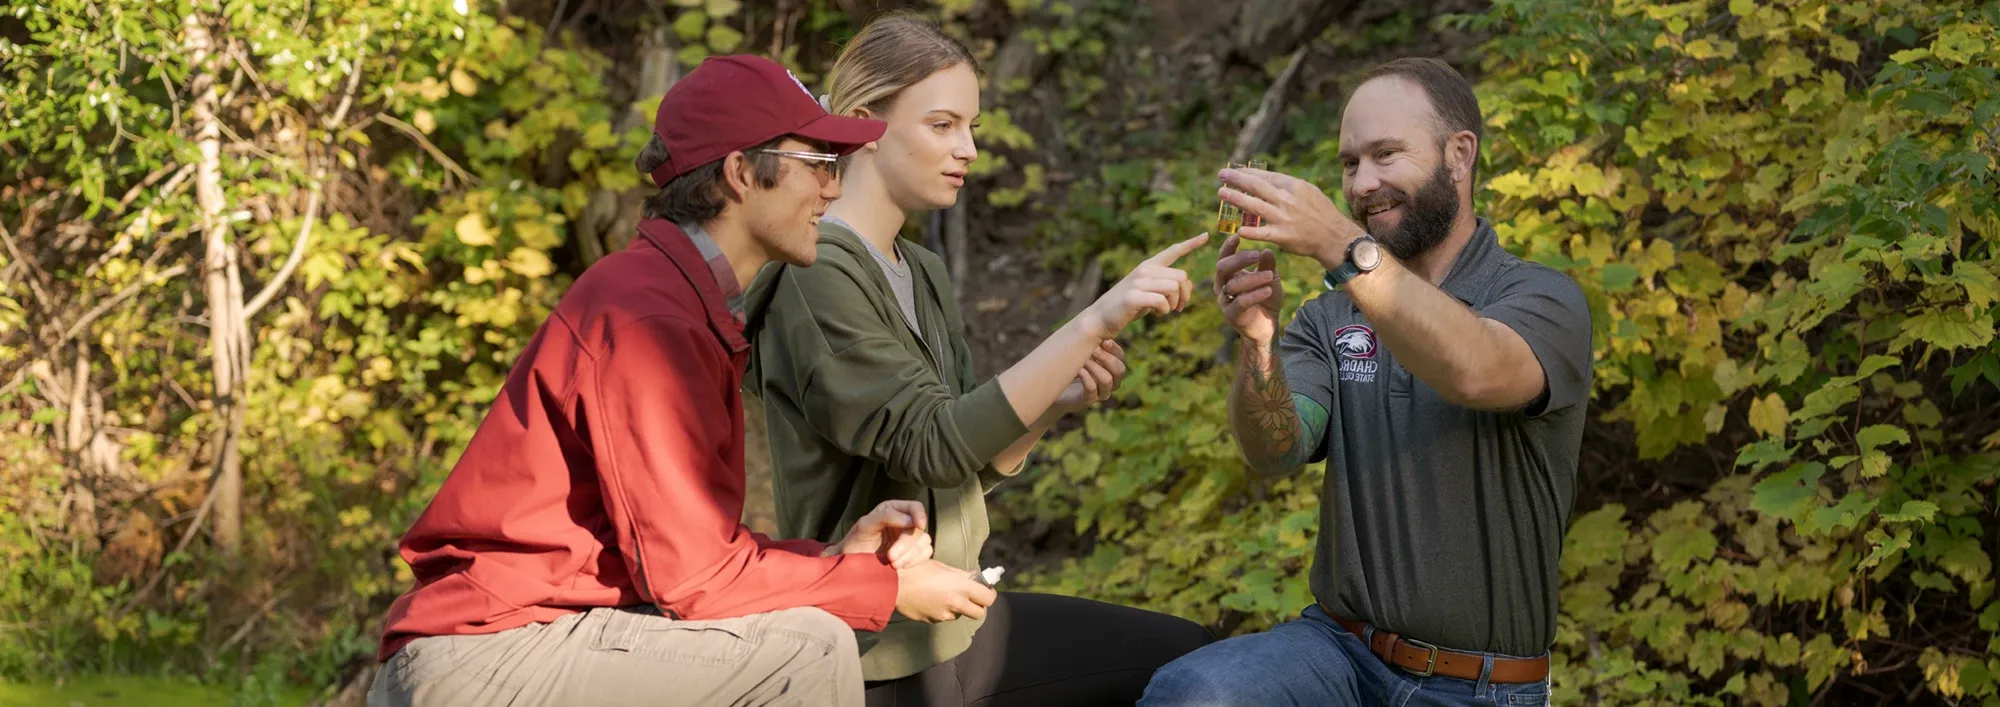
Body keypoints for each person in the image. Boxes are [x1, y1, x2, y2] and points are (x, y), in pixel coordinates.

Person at [367, 55, 1001, 707]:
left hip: (539, 635)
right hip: (485, 657)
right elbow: (695, 578)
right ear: (740, 173)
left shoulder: (679, 301)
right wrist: (884, 589)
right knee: (805, 651)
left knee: (799, 633)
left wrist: (835, 558)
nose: (832, 190)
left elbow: (688, 551)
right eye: (818, 165)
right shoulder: (648, 318)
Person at [741, 14, 1217, 707]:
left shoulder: (922, 269)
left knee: (1190, 659)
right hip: (879, 653)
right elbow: (934, 444)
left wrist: (1055, 399)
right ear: (862, 122)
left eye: (973, 128)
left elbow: (962, 462)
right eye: (942, 125)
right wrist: (1093, 320)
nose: (966, 149)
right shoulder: (818, 274)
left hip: (954, 625)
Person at [1140, 57, 1594, 706]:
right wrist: (1259, 344)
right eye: (1351, 163)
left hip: (1483, 686)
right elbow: (1275, 448)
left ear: (1459, 155)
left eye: (1386, 154)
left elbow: (1476, 367)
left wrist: (1338, 244)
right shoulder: (1329, 316)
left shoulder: (1541, 298)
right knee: (1196, 692)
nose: (1364, 182)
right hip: (1339, 653)